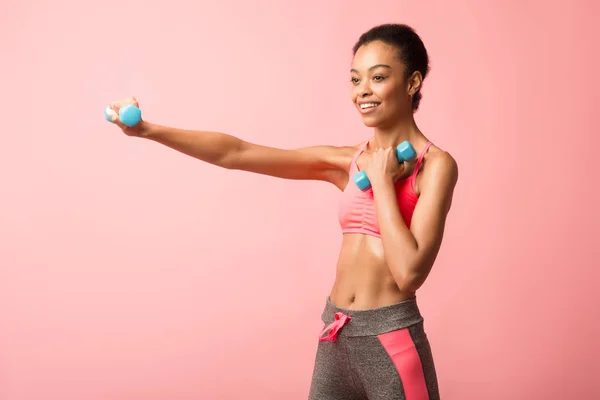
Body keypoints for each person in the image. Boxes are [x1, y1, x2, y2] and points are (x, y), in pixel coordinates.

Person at [107, 23, 457, 400]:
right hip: (337, 334)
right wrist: (148, 130)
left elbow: (409, 273)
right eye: (356, 80)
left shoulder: (435, 165)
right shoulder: (345, 161)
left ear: (412, 83)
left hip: (392, 340)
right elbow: (236, 153)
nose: (363, 91)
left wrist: (384, 183)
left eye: (378, 77)